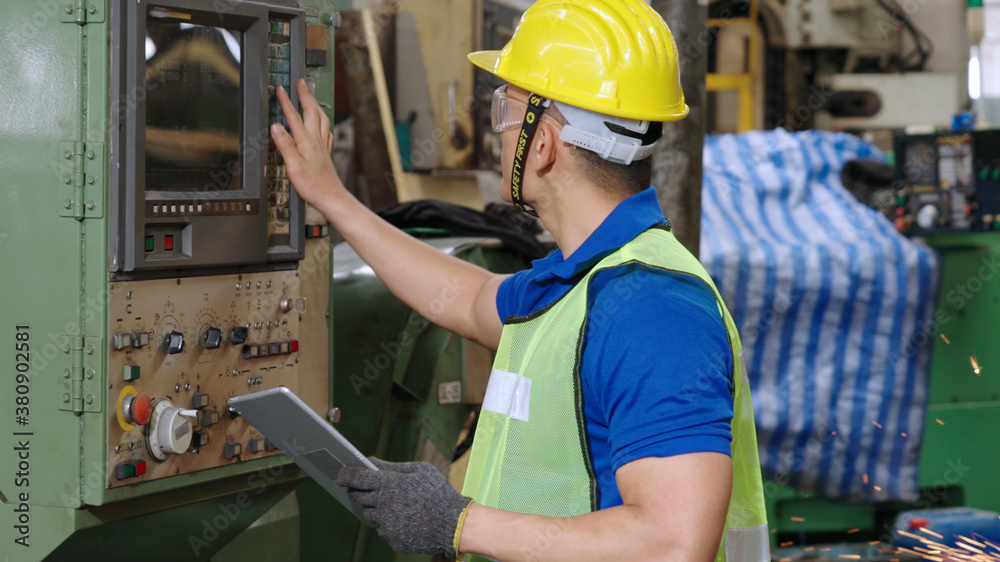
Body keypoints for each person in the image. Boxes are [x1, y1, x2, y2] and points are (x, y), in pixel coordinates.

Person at [269, 0, 769, 559]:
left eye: (503, 117)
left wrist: (457, 523)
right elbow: (465, 296)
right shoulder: (578, 283)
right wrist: (332, 197)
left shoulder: (651, 307)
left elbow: (673, 542)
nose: (499, 138)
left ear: (547, 144)